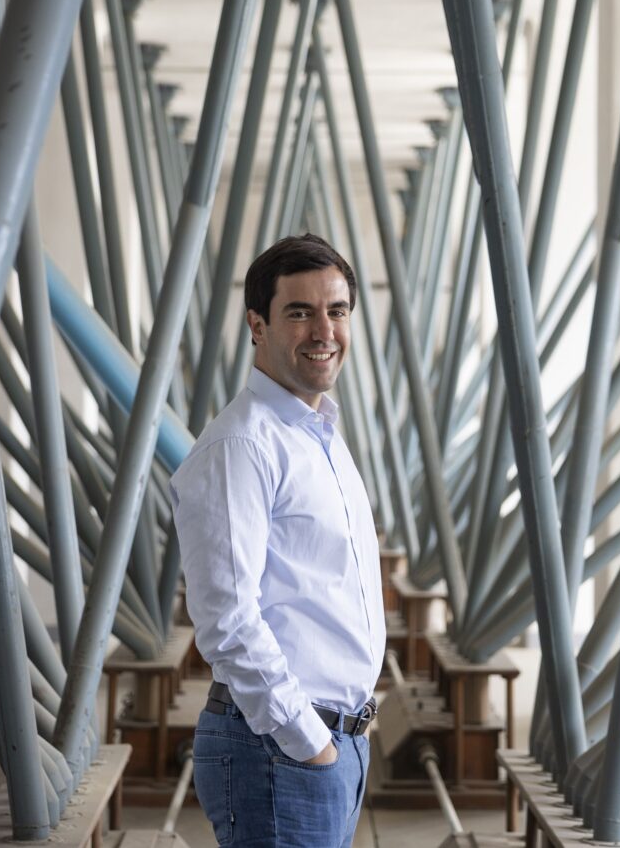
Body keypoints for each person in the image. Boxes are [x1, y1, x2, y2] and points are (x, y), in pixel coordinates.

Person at [171, 234, 385, 847]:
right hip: (281, 749)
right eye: (300, 312)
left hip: (330, 743)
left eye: (337, 311)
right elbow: (227, 620)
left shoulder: (319, 434)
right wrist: (308, 741)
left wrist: (337, 740)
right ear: (256, 325)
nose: (324, 331)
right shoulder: (242, 445)